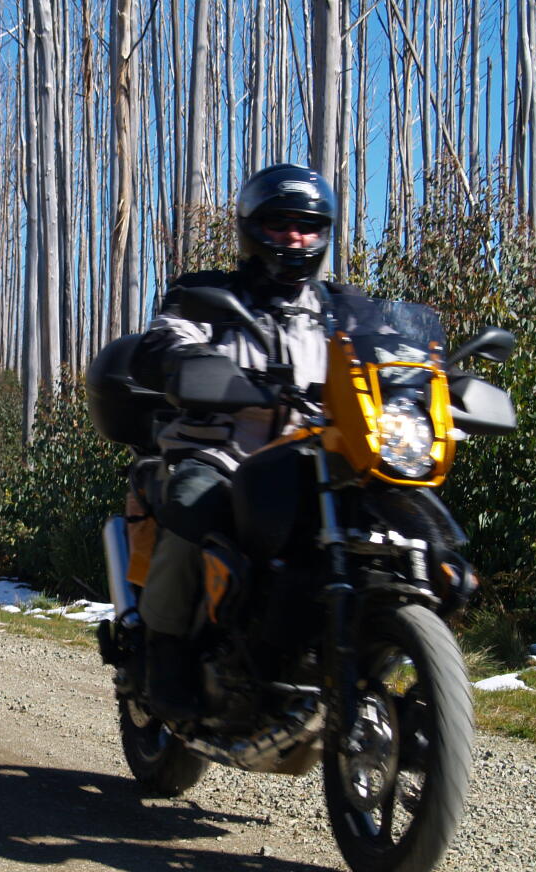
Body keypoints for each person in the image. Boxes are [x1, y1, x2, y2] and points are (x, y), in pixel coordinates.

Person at [129, 162, 344, 721]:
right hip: (221, 453)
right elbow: (164, 341)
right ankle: (164, 650)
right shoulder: (209, 295)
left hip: (310, 462)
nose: (294, 238)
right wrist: (188, 363)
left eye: (307, 226)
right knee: (194, 504)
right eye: (280, 224)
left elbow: (386, 354)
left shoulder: (340, 309)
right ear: (253, 228)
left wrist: (428, 380)